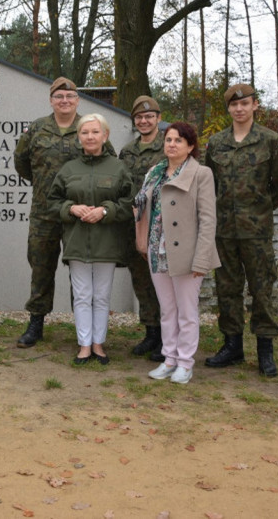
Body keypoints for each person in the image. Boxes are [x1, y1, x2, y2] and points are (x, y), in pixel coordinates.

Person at [203, 84, 278, 377]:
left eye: (245, 104)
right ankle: (232, 345)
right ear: (228, 109)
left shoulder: (270, 140)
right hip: (224, 230)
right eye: (234, 105)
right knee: (227, 289)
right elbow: (210, 185)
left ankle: (265, 350)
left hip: (256, 230)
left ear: (255, 106)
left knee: (262, 289)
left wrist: (260, 207)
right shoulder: (216, 143)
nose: (239, 109)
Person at [135, 122, 219, 385]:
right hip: (157, 250)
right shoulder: (155, 173)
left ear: (190, 146)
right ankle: (169, 358)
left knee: (187, 311)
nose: (172, 144)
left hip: (187, 253)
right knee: (167, 309)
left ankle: (185, 362)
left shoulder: (201, 174)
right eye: (169, 139)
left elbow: (208, 219)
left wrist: (202, 258)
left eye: (179, 140)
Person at [48, 114, 133, 365]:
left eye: (95, 132)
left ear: (105, 136)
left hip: (106, 242)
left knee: (102, 295)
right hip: (76, 242)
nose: (90, 137)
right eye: (85, 133)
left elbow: (129, 203)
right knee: (83, 295)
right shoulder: (69, 169)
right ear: (78, 137)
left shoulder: (117, 168)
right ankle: (84, 345)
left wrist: (106, 211)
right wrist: (70, 209)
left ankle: (99, 344)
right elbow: (52, 202)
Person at [13, 76, 83, 348]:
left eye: (69, 97)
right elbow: (21, 162)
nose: (64, 101)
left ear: (77, 100)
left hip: (79, 214)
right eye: (59, 97)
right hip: (44, 212)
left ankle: (85, 326)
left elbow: (105, 159)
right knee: (40, 268)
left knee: (81, 270)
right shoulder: (37, 129)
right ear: (51, 100)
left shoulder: (88, 127)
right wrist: (44, 184)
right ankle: (36, 323)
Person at [118, 95, 165, 361]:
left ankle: (166, 336)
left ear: (158, 118)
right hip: (135, 225)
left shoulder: (169, 145)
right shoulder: (127, 151)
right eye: (139, 117)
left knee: (163, 281)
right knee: (141, 279)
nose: (144, 120)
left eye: (149, 116)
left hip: (163, 224)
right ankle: (151, 332)